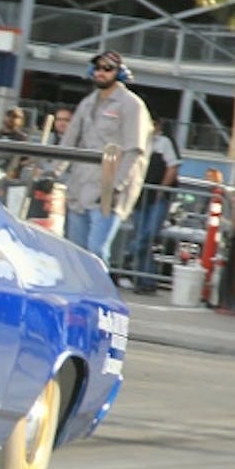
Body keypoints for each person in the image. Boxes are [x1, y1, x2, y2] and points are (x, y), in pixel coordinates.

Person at [59, 50, 151, 264]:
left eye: (108, 68)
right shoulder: (87, 103)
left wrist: (116, 187)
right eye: (98, 68)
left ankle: (99, 286)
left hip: (109, 188)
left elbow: (134, 151)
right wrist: (51, 172)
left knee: (96, 252)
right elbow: (68, 142)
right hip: (80, 185)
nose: (101, 72)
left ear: (119, 72)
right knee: (75, 252)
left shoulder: (132, 105)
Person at [126, 118, 181, 294]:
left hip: (157, 197)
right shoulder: (137, 141)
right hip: (140, 196)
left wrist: (162, 189)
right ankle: (146, 280)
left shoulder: (164, 143)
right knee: (143, 236)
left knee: (148, 234)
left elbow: (173, 167)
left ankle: (129, 253)